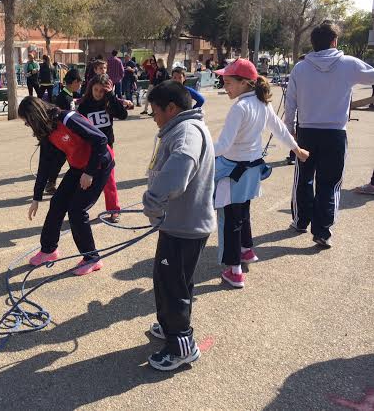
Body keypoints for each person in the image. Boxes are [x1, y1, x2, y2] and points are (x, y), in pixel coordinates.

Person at [213, 58, 309, 288]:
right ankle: (246, 250)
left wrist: (201, 152)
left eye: (228, 82)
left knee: (229, 218)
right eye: (224, 82)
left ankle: (234, 269)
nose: (225, 87)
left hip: (232, 172)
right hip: (252, 170)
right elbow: (279, 129)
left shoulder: (240, 107)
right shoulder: (261, 103)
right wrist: (296, 149)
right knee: (243, 210)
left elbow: (224, 145)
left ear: (245, 82)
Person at [142, 81, 216, 372]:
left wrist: (153, 201)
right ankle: (169, 326)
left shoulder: (185, 133)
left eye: (155, 112)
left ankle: (182, 345)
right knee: (166, 279)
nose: (154, 118)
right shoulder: (182, 128)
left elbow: (178, 171)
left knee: (174, 287)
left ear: (171, 108)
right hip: (177, 223)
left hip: (184, 225)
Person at [284, 21, 374, 248]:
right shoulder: (348, 64)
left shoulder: (300, 68)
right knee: (329, 182)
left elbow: (290, 102)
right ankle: (322, 230)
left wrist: (289, 129)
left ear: (313, 43)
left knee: (303, 179)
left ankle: (300, 221)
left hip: (306, 131)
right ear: (335, 41)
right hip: (335, 133)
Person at [19, 96, 114, 276]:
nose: (28, 127)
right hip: (78, 167)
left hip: (99, 165)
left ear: (34, 117)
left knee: (77, 211)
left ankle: (92, 258)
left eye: (27, 123)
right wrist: (36, 197)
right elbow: (44, 165)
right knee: (57, 203)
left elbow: (100, 140)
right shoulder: (47, 132)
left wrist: (90, 172)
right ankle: (49, 250)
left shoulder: (68, 119)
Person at [76, 74, 132, 223]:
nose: (99, 94)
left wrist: (111, 95)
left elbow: (123, 114)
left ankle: (114, 209)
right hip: (89, 149)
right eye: (96, 90)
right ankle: (79, 209)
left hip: (107, 149)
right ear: (91, 88)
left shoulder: (109, 101)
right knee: (85, 180)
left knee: (109, 180)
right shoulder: (84, 105)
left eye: (102, 91)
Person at [44, 69, 83, 195]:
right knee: (60, 159)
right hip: (63, 134)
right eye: (79, 83)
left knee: (62, 159)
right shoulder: (64, 98)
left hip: (66, 134)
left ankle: (51, 182)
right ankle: (50, 183)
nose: (80, 86)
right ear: (74, 82)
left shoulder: (67, 95)